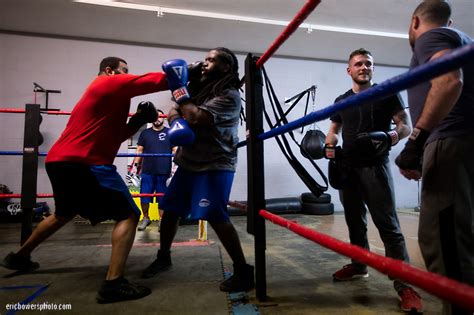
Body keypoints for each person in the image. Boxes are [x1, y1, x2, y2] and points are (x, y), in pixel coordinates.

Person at [0, 57, 170, 303]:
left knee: (63, 214)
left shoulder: (109, 101)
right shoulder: (104, 84)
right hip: (85, 163)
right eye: (123, 71)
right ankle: (113, 284)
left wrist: (136, 121)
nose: (126, 75)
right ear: (109, 71)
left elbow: (114, 136)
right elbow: (147, 81)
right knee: (129, 214)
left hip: (60, 161)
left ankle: (19, 256)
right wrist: (185, 75)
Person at [141, 47, 255, 293]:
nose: (204, 63)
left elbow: (193, 116)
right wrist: (176, 121)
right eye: (205, 59)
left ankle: (243, 270)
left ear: (226, 67)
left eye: (212, 60)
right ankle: (163, 257)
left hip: (215, 163)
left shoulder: (230, 96)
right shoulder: (198, 88)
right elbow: (174, 110)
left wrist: (181, 95)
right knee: (170, 210)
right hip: (188, 162)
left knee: (215, 215)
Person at [324, 48, 423, 312]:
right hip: (347, 168)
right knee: (354, 221)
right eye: (358, 64)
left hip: (374, 167)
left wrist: (390, 136)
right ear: (349, 70)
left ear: (372, 69)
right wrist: (328, 145)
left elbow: (405, 126)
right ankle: (359, 266)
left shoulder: (386, 92)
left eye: (368, 63)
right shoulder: (341, 99)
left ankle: (405, 285)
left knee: (388, 226)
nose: (364, 67)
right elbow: (333, 130)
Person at [396, 1, 474, 314]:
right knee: (462, 235)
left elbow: (448, 81)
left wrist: (417, 141)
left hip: (450, 140)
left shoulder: (431, 36)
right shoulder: (464, 40)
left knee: (445, 243)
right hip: (461, 142)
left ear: (415, 21)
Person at [129, 108, 176, 231]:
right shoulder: (145, 133)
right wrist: (134, 168)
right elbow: (139, 150)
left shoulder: (170, 132)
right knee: (144, 197)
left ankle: (162, 220)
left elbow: (175, 150)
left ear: (164, 117)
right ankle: (146, 218)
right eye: (155, 117)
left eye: (160, 116)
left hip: (164, 171)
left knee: (163, 198)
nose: (158, 119)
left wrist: (175, 169)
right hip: (147, 171)